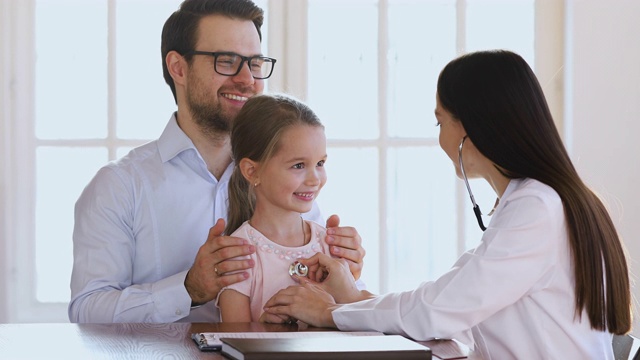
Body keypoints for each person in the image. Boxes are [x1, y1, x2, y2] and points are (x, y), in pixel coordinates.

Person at [263, 50, 632, 358]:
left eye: (440, 122)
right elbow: (446, 300)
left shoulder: (537, 207)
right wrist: (352, 296)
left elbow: (440, 311)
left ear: (470, 127)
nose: (439, 137)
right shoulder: (537, 200)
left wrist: (332, 313)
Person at [68, 0, 365, 323]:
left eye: (254, 63)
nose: (247, 79)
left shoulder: (289, 178)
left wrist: (346, 276)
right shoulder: (119, 186)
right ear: (178, 67)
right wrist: (188, 288)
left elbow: (332, 304)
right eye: (227, 61)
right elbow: (87, 312)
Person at [216, 93, 333, 323]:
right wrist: (267, 327)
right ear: (252, 171)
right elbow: (235, 341)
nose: (314, 179)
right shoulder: (239, 257)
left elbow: (351, 326)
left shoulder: (328, 246)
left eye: (320, 163)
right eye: (299, 165)